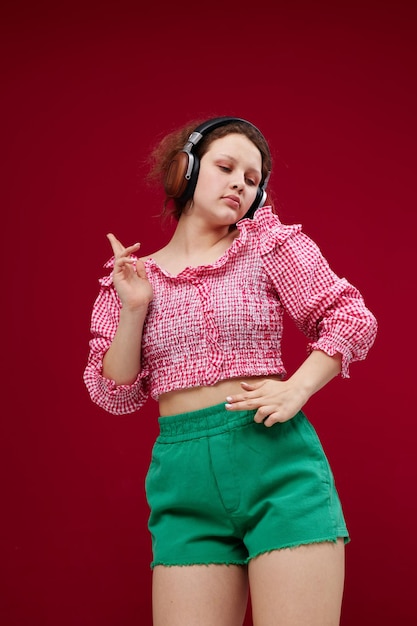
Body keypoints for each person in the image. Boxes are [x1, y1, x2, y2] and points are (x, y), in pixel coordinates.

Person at [83, 116, 377, 626]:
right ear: (185, 171)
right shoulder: (131, 279)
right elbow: (115, 393)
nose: (240, 183)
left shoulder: (268, 245)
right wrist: (134, 307)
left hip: (276, 466)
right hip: (183, 480)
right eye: (226, 167)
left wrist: (297, 389)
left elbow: (352, 317)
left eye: (253, 178)